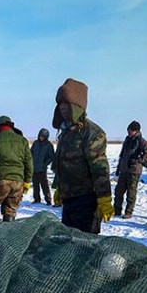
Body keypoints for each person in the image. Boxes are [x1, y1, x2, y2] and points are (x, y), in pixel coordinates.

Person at [51, 78, 112, 233]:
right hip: (69, 199)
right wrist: (60, 186)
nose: (62, 108)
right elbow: (62, 163)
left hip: (86, 200)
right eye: (60, 104)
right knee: (68, 244)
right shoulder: (66, 132)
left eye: (66, 104)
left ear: (77, 106)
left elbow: (99, 169)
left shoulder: (92, 133)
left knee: (84, 245)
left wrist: (104, 197)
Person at [0, 116, 33, 224]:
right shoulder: (22, 141)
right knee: (10, 211)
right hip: (18, 183)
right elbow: (29, 163)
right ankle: (7, 239)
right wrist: (27, 181)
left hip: (1, 180)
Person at [113, 121, 147, 219]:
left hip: (134, 171)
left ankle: (128, 212)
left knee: (131, 193)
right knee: (118, 192)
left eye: (131, 130)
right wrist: (119, 168)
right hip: (124, 170)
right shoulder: (127, 140)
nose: (129, 132)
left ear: (137, 131)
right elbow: (122, 155)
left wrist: (139, 159)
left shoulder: (142, 141)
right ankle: (116, 210)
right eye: (128, 130)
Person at [30, 128, 54, 205]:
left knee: (44, 186)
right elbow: (31, 153)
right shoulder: (35, 143)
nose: (41, 137)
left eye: (43, 136)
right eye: (40, 136)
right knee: (35, 185)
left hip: (42, 169)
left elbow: (51, 157)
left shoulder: (49, 145)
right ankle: (36, 199)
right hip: (34, 168)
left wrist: (45, 164)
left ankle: (48, 200)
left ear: (46, 137)